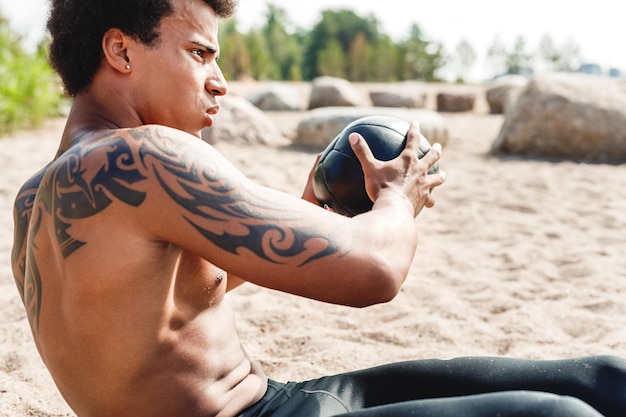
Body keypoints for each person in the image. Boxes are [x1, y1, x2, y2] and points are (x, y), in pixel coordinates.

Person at [10, 0, 625, 416]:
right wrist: (397, 200)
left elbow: (191, 289)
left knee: (603, 378)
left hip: (274, 397)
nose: (220, 80)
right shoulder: (148, 156)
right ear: (120, 51)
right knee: (561, 413)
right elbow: (374, 273)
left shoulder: (34, 199)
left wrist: (312, 207)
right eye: (200, 54)